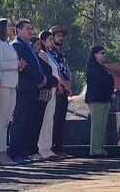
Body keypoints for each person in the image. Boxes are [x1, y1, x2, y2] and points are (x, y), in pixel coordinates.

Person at [8, 19, 46, 164]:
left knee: (28, 121)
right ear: (18, 30)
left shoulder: (28, 46)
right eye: (27, 29)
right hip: (23, 88)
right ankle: (15, 152)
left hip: (31, 89)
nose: (31, 31)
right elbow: (27, 67)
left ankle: (23, 152)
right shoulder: (17, 45)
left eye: (31, 28)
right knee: (20, 120)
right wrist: (40, 77)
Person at [0, 18, 26, 166]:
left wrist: (19, 65)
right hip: (3, 85)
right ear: (2, 28)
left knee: (6, 121)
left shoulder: (7, 44)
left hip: (12, 85)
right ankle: (0, 152)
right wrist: (16, 64)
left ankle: (3, 152)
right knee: (1, 119)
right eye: (9, 26)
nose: (12, 28)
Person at [27, 34, 57, 161]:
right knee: (36, 121)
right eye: (37, 45)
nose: (39, 47)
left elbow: (49, 72)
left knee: (43, 121)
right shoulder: (36, 57)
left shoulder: (40, 56)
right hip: (38, 92)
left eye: (40, 45)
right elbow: (42, 73)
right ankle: (33, 150)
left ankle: (38, 149)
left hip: (47, 90)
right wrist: (46, 79)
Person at [85, 46, 115, 158]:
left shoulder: (102, 67)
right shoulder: (93, 66)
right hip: (96, 99)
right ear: (95, 54)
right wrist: (110, 93)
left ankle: (100, 148)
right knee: (96, 125)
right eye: (102, 53)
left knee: (102, 125)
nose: (104, 55)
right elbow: (100, 82)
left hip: (104, 99)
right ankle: (95, 150)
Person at [37, 31, 63, 160]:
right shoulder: (42, 54)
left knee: (50, 119)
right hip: (48, 89)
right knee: (45, 119)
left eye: (53, 40)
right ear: (43, 41)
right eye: (50, 40)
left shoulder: (49, 54)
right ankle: (43, 149)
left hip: (53, 89)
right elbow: (48, 73)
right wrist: (57, 83)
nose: (52, 42)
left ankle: (47, 148)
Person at [49, 25, 72, 158]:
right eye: (58, 36)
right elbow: (55, 72)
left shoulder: (62, 54)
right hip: (57, 89)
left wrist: (69, 86)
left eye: (62, 36)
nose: (61, 38)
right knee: (54, 119)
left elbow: (66, 70)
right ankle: (53, 148)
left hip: (64, 89)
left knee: (61, 120)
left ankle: (59, 148)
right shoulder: (49, 53)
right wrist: (61, 84)